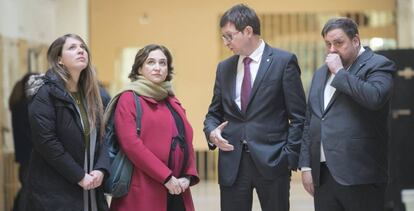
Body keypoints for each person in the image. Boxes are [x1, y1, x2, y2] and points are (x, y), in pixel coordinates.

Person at [203, 4, 306, 211]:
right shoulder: (225, 68)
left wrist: (288, 156)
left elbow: (299, 117)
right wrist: (212, 132)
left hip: (273, 161)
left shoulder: (283, 62)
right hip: (233, 162)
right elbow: (213, 113)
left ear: (248, 31)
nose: (225, 42)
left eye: (229, 36)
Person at [298, 17, 396, 211]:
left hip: (360, 175)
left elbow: (374, 97)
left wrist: (339, 72)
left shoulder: (379, 65)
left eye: (339, 43)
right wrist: (307, 166)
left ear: (356, 40)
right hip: (324, 175)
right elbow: (311, 120)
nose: (332, 49)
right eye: (328, 44)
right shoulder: (320, 73)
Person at [107, 44, 199, 211]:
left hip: (178, 188)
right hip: (144, 188)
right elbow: (131, 145)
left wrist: (188, 176)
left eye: (163, 63)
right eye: (151, 62)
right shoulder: (129, 98)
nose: (158, 67)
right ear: (140, 68)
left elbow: (187, 139)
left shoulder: (172, 100)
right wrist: (166, 177)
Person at [25, 34, 110, 211]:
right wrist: (79, 176)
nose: (80, 50)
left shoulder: (98, 95)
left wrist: (102, 169)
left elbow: (107, 135)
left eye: (83, 47)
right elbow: (46, 142)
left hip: (93, 187)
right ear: (59, 60)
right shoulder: (44, 92)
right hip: (56, 191)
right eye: (72, 48)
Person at [9, 72, 38, 211]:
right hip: (31, 157)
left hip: (23, 157)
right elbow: (32, 134)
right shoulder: (26, 106)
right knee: (28, 191)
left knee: (26, 189)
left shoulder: (18, 105)